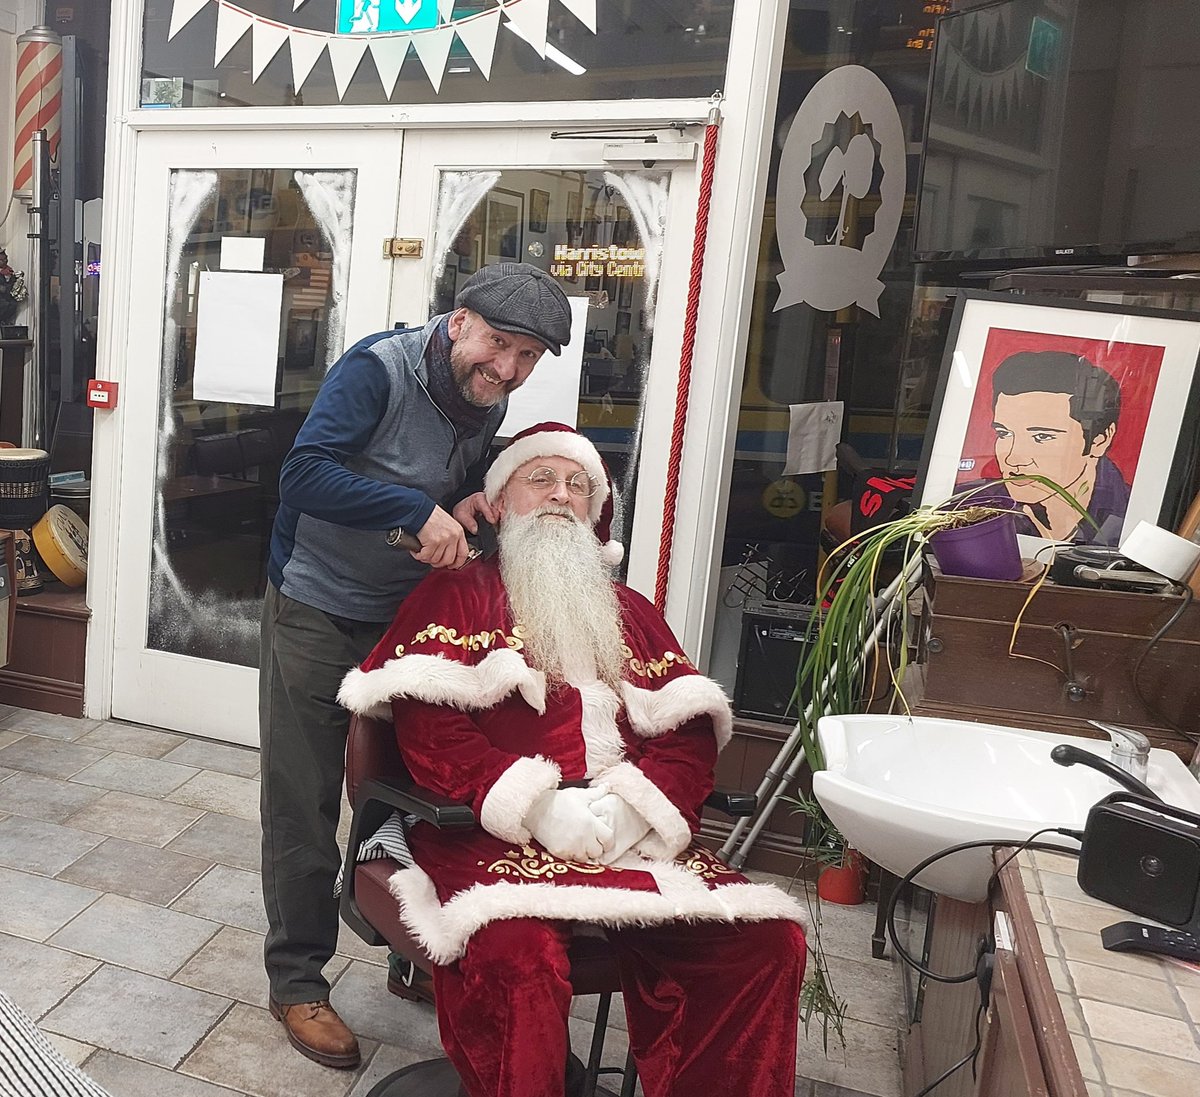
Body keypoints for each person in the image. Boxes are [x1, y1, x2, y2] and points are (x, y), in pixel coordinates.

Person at [338, 423, 809, 1097]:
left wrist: (633, 806)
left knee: (763, 943)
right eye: (540, 479)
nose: (560, 495)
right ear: (498, 505)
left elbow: (688, 731)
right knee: (516, 959)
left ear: (594, 511)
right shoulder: (453, 596)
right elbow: (432, 733)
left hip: (628, 835)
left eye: (577, 484)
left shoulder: (632, 612)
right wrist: (538, 804)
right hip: (486, 829)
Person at [260, 264, 572, 1069]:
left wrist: (469, 499)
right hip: (318, 607)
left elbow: (449, 485)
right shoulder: (378, 370)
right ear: (460, 320)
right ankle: (296, 979)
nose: (506, 369)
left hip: (406, 619)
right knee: (304, 796)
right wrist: (411, 508)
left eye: (528, 356)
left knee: (410, 788)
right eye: (499, 344)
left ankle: (416, 952)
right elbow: (301, 473)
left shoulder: (486, 395)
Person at [965, 349, 1129, 545]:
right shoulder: (967, 507)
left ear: (1099, 440)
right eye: (1004, 433)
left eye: (1041, 436)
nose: (1012, 458)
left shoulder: (1135, 516)